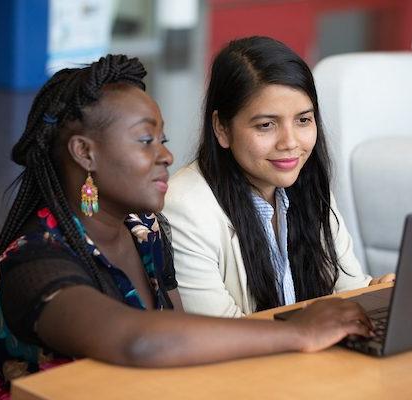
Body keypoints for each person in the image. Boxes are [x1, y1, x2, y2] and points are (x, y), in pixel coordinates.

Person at [0, 55, 375, 400]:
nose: (166, 155)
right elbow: (137, 340)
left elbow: (187, 347)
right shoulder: (32, 262)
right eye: (146, 141)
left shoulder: (145, 231)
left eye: (163, 139)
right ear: (85, 153)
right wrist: (299, 332)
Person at [162, 36, 394, 318]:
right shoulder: (184, 208)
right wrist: (308, 332)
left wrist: (373, 293)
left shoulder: (307, 186)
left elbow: (347, 288)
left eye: (303, 120)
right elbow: (222, 335)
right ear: (222, 128)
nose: (290, 142)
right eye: (266, 125)